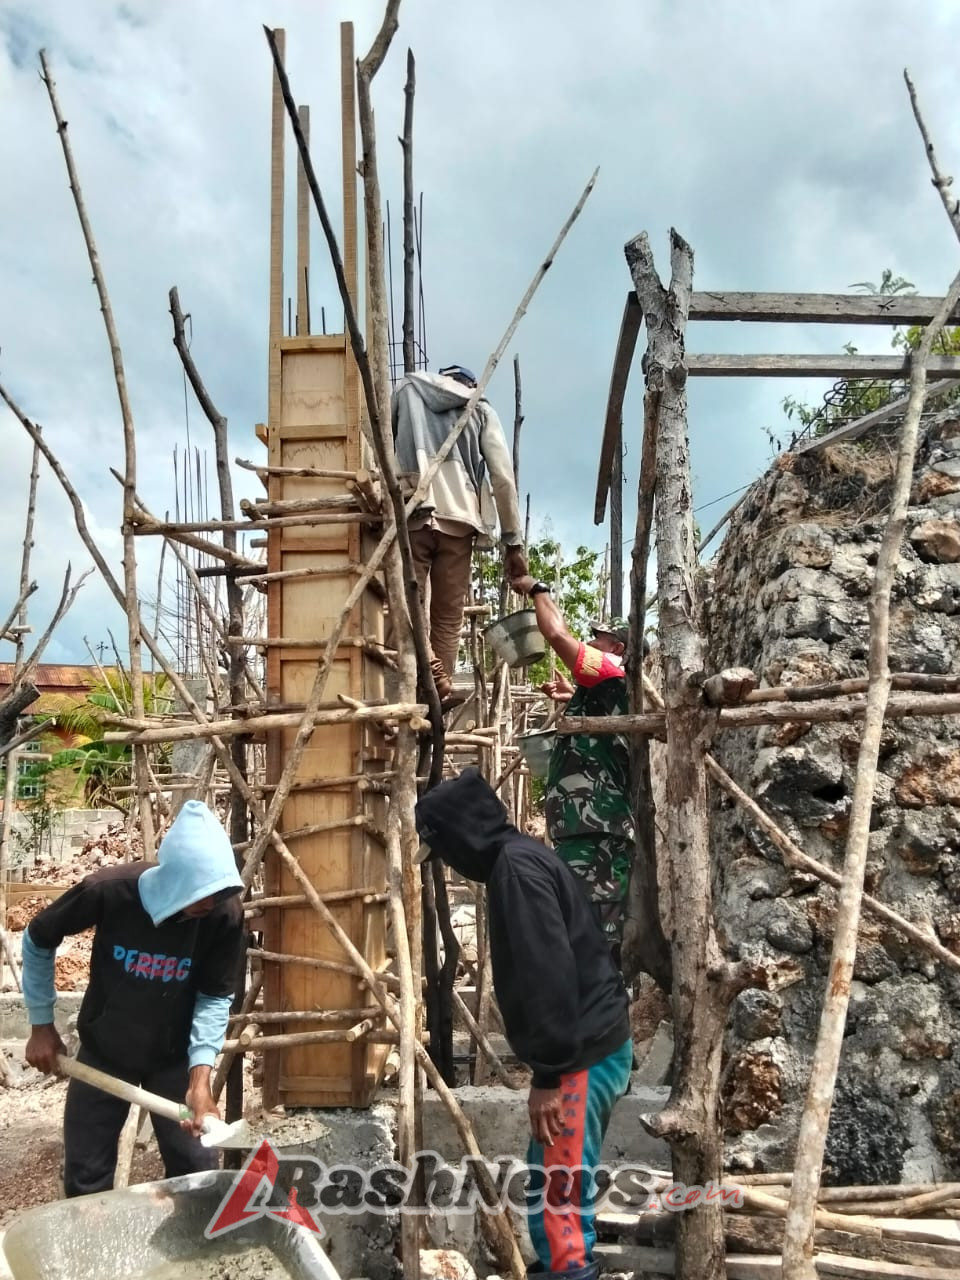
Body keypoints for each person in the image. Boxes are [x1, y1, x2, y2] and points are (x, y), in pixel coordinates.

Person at [414, 768, 631, 1280]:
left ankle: (571, 1273)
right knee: (553, 1181)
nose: (450, 864)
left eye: (445, 852)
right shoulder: (523, 859)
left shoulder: (517, 873)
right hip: (589, 1044)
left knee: (559, 1195)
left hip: (581, 1053)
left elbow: (546, 974)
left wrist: (549, 1076)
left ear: (462, 838)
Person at [22, 800, 245, 1197]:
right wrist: (41, 1025)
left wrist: (200, 1080)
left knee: (197, 1173)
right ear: (174, 879)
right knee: (86, 1178)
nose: (209, 901)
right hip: (105, 1053)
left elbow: (214, 998)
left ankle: (196, 1254)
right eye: (200, 891)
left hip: (174, 1058)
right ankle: (91, 1253)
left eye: (217, 890)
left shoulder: (223, 914)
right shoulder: (110, 892)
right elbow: (39, 936)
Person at [510, 573, 635, 963]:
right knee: (580, 929)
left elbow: (555, 635)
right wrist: (572, 697)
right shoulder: (603, 686)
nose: (591, 641)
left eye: (598, 638)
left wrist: (537, 590)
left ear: (616, 647)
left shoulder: (614, 668)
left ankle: (602, 1017)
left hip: (596, 830)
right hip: (585, 828)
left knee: (594, 937)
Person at [393, 363, 527, 708]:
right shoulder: (479, 407)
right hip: (460, 518)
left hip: (413, 511)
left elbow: (381, 441)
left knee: (408, 606)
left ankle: (430, 679)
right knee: (447, 618)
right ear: (469, 384)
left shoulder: (407, 392)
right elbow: (502, 478)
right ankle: (440, 683)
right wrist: (513, 541)